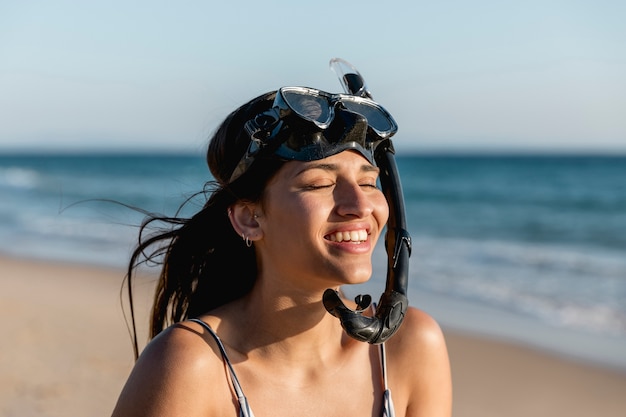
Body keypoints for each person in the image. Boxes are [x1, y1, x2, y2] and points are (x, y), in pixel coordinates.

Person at [112, 75, 452, 417]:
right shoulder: (191, 365)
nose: (361, 206)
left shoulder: (410, 347)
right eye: (320, 183)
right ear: (249, 218)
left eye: (368, 181)